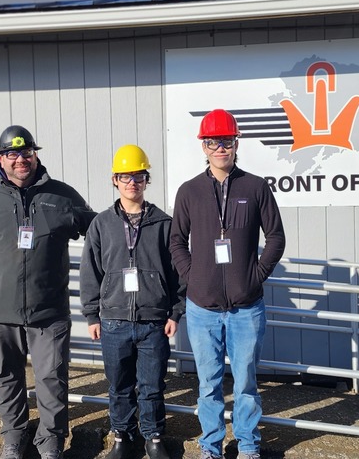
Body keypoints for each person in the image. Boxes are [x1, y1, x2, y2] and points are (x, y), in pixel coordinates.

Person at [0, 125, 96, 459]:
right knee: (7, 380)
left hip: (49, 311)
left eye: (26, 152)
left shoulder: (61, 196)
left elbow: (98, 232)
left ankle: (51, 441)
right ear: (2, 159)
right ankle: (13, 438)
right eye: (12, 154)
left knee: (52, 381)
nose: (20, 160)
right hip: (0, 312)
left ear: (35, 155)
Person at [168, 109, 286, 459]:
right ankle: (211, 446)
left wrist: (255, 275)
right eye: (213, 142)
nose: (221, 148)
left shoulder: (255, 187)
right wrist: (194, 277)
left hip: (246, 307)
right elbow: (176, 241)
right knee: (208, 384)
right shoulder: (189, 191)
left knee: (247, 383)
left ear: (236, 143)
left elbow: (276, 237)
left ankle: (248, 445)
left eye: (227, 141)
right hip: (202, 308)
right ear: (203, 146)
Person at [79, 145, 184, 459]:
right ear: (115, 180)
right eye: (125, 176)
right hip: (113, 321)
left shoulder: (164, 224)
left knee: (152, 385)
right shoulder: (101, 225)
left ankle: (152, 437)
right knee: (119, 385)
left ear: (146, 179)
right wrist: (92, 316)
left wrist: (176, 312)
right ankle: (122, 437)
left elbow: (178, 273)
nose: (132, 182)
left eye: (138, 175)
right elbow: (90, 272)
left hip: (153, 322)